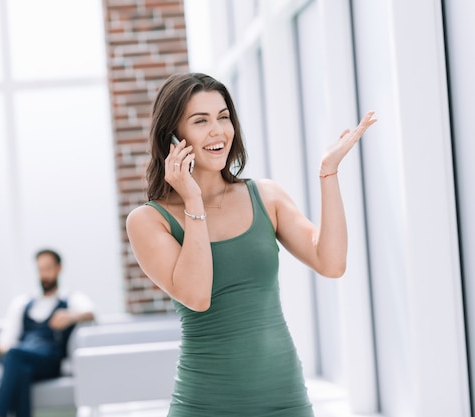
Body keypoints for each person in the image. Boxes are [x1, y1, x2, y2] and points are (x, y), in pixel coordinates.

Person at [126, 72, 377, 417]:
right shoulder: (148, 220)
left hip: (284, 398)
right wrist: (193, 200)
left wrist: (328, 173)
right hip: (205, 405)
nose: (218, 131)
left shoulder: (266, 196)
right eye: (200, 121)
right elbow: (198, 295)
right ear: (173, 137)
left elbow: (331, 263)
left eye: (224, 117)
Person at [0, 248, 95, 417]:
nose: (43, 274)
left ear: (59, 269)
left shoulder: (70, 299)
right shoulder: (22, 304)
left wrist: (70, 316)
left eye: (48, 268)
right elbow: (4, 343)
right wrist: (12, 354)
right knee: (20, 369)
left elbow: (91, 313)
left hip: (50, 360)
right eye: (40, 269)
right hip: (23, 357)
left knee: (16, 358)